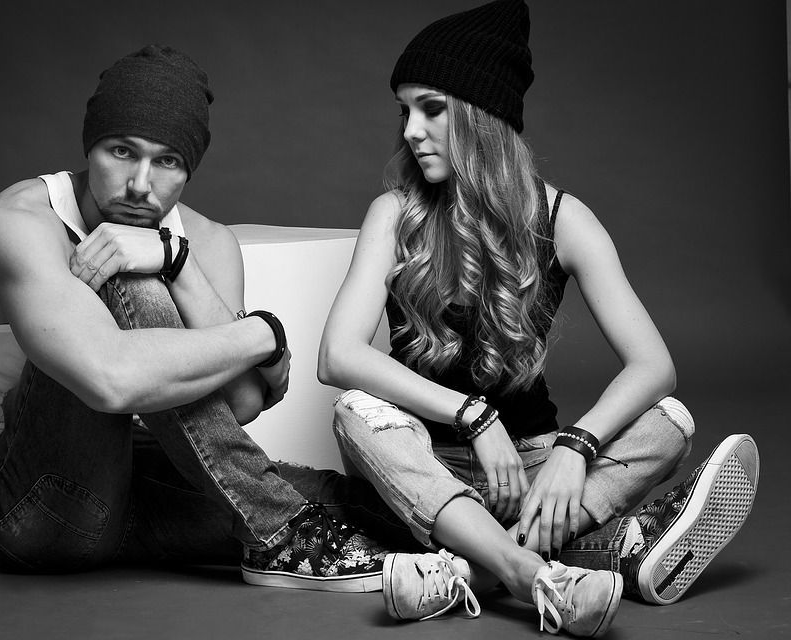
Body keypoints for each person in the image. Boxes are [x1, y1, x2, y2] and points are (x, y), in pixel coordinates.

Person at [317, 0, 759, 635]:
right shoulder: (394, 214)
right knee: (354, 412)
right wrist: (472, 416)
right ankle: (570, 560)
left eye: (432, 108)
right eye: (404, 110)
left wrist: (576, 449)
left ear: (482, 116)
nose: (411, 130)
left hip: (533, 467)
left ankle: (472, 568)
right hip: (424, 466)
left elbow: (654, 366)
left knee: (668, 422)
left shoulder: (564, 220)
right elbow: (338, 356)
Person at [0, 44, 412, 592]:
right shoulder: (19, 222)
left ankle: (490, 544)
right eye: (122, 151)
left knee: (355, 506)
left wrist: (178, 262)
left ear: (188, 169)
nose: (140, 185)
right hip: (27, 505)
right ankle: (279, 530)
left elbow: (241, 403)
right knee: (125, 273)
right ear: (90, 146)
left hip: (136, 481)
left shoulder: (207, 241)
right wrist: (264, 333)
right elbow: (110, 380)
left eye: (167, 161)